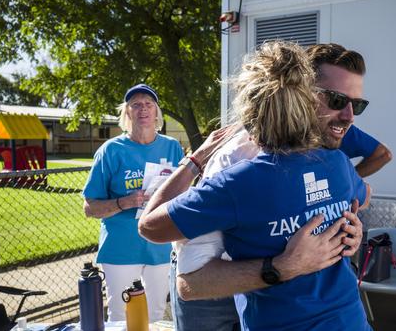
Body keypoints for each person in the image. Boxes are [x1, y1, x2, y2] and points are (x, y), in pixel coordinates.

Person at [139, 41, 372, 330]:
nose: (350, 115)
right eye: (337, 101)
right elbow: (363, 192)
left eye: (358, 105)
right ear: (309, 100)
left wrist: (195, 160)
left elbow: (150, 227)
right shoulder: (336, 163)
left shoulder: (241, 182)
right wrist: (286, 264)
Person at [82, 84, 184, 322]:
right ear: (127, 112)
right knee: (121, 316)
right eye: (136, 105)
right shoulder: (111, 150)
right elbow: (89, 208)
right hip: (121, 248)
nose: (143, 109)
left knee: (157, 315)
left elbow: (183, 191)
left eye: (149, 104)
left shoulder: (172, 147)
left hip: (160, 244)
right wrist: (123, 202)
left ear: (157, 111)